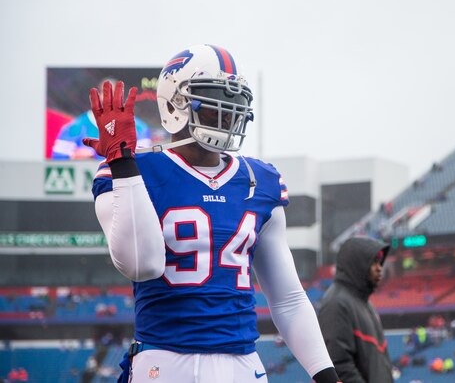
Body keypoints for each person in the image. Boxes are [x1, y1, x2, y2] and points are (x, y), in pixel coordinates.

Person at [85, 44, 340, 383]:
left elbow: (288, 298)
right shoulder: (133, 169)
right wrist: (123, 164)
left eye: (234, 102)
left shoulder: (258, 179)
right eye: (212, 99)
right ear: (175, 103)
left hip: (242, 364)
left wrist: (325, 374)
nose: (228, 111)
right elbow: (140, 264)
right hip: (163, 362)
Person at [317, 237, 393, 383]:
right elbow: (339, 365)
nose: (379, 268)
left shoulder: (365, 304)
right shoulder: (336, 303)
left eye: (380, 262)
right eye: (374, 262)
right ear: (358, 264)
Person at [52, 78, 152, 159]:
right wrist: (73, 155)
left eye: (116, 94)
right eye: (107, 94)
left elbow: (146, 158)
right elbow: (56, 158)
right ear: (98, 96)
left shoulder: (140, 128)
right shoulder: (74, 127)